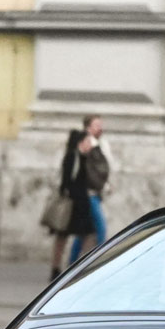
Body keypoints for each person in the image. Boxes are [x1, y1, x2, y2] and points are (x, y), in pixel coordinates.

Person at [54, 115, 109, 272]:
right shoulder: (75, 156)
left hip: (83, 201)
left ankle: (76, 267)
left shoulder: (93, 150)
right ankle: (67, 267)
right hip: (75, 201)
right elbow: (69, 179)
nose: (100, 128)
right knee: (90, 232)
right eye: (96, 125)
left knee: (84, 234)